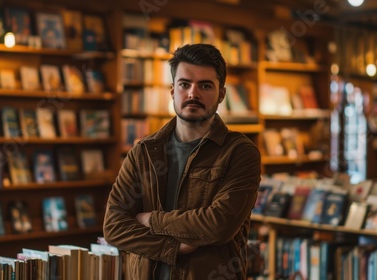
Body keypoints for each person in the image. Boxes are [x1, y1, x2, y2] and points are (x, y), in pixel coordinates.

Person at [103, 43, 261, 280]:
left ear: (221, 94)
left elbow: (218, 225)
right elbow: (114, 227)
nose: (192, 94)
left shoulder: (240, 152)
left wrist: (149, 219)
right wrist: (173, 248)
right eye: (184, 84)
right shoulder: (144, 152)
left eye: (205, 86)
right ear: (172, 91)